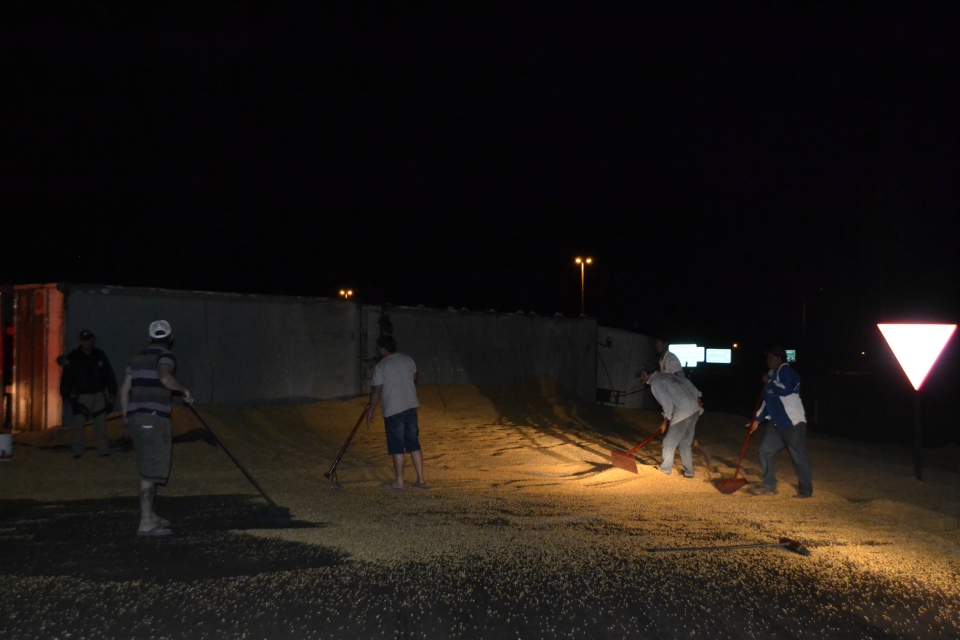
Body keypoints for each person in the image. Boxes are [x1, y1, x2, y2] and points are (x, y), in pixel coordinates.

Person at [117, 320, 193, 537]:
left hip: (136, 417)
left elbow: (124, 391)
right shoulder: (166, 356)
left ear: (149, 338)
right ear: (170, 339)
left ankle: (151, 514)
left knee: (148, 464)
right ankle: (146, 522)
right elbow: (165, 377)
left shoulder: (136, 358)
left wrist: (125, 421)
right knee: (149, 470)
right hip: (154, 417)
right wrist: (184, 390)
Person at [746, 345, 812, 498]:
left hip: (793, 423)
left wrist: (769, 381)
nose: (767, 360)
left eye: (770, 357)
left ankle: (806, 490)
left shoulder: (788, 372)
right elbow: (766, 403)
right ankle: (769, 486)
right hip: (776, 425)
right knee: (765, 451)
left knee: (798, 457)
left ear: (778, 358)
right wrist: (757, 419)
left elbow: (785, 389)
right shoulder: (772, 376)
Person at [366, 334, 425, 490]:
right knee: (413, 444)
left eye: (379, 348)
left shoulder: (382, 366)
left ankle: (399, 481)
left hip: (394, 410)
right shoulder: (407, 359)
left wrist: (371, 410)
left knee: (397, 446)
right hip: (411, 406)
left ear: (383, 349)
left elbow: (377, 391)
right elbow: (415, 378)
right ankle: (420, 479)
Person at [60, 330, 118, 459]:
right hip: (81, 396)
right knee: (79, 425)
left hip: (98, 394)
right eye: (87, 340)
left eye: (91, 340)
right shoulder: (73, 357)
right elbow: (67, 377)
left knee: (101, 425)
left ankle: (103, 450)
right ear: (82, 341)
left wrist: (112, 392)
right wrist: (65, 396)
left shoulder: (99, 355)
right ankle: (78, 451)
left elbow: (109, 374)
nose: (90, 343)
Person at [639, 369, 704, 477]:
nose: (641, 379)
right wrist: (697, 397)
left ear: (645, 373)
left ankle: (665, 470)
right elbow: (686, 381)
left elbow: (667, 403)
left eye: (641, 376)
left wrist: (665, 420)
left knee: (668, 443)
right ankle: (689, 472)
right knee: (684, 443)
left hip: (683, 412)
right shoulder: (667, 375)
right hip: (694, 410)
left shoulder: (655, 383)